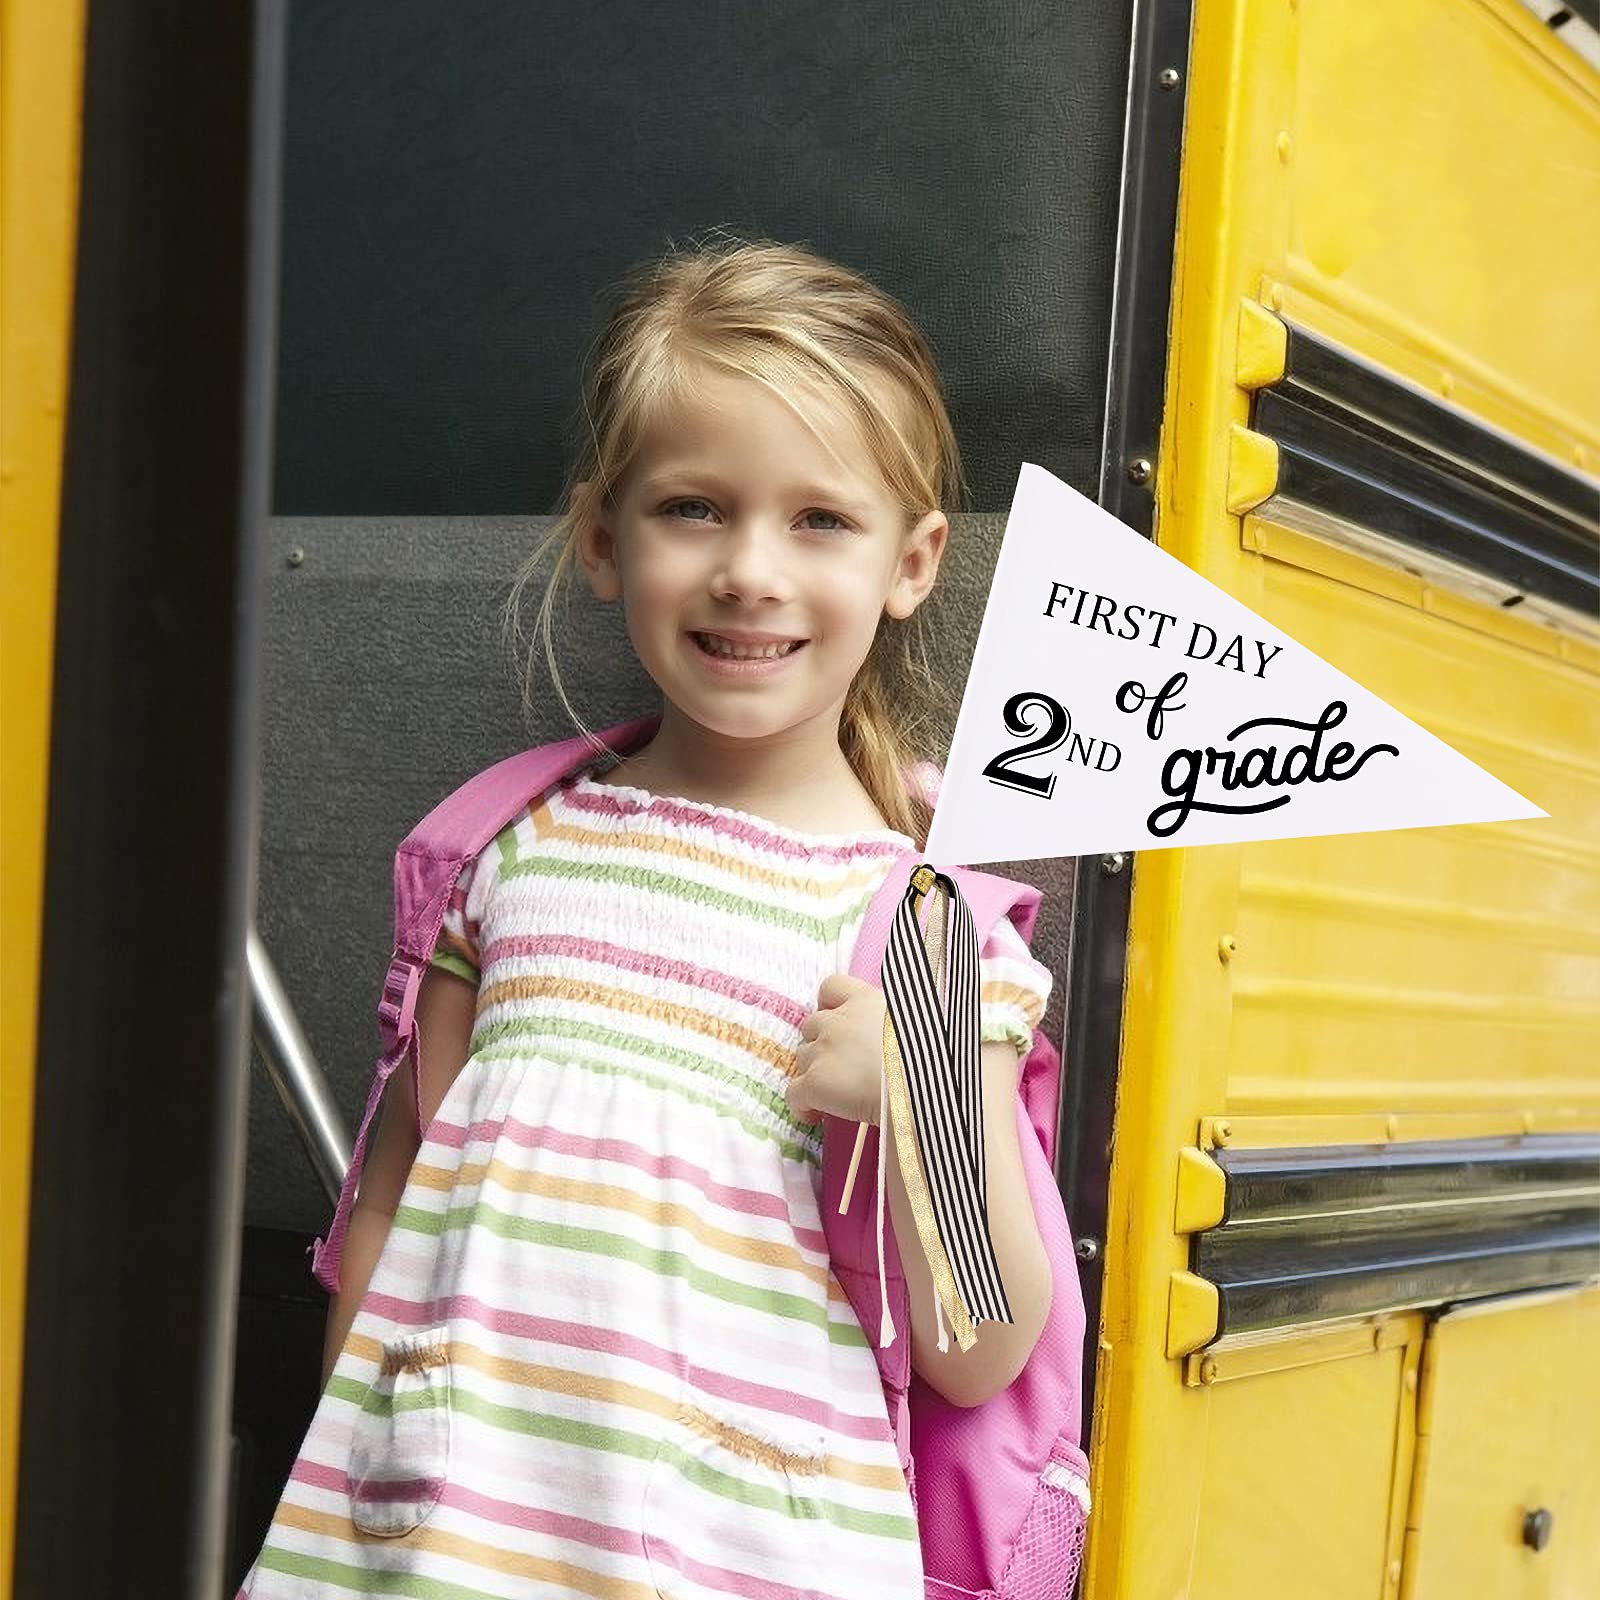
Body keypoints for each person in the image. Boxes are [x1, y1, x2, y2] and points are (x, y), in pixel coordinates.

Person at [239, 236, 1056, 1599]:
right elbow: (385, 1203)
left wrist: (926, 1108)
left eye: (819, 521)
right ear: (602, 541)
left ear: (911, 563)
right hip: (436, 1548)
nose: (749, 569)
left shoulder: (916, 929)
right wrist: (359, 1499)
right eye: (694, 508)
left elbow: (976, 1352)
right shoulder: (509, 853)